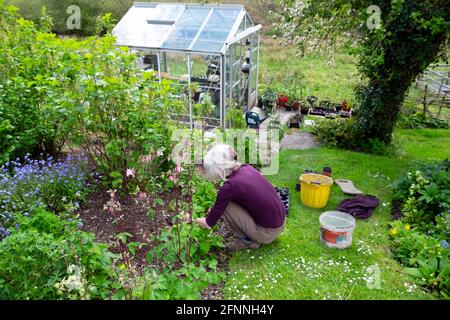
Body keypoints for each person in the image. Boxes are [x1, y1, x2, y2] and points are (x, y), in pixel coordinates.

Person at [195, 144, 286, 251]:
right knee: (227, 202)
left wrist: (191, 220)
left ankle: (246, 241)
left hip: (267, 233)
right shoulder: (246, 168)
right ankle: (252, 237)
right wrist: (214, 210)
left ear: (217, 170)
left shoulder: (229, 187)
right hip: (280, 222)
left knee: (226, 206)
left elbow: (208, 223)